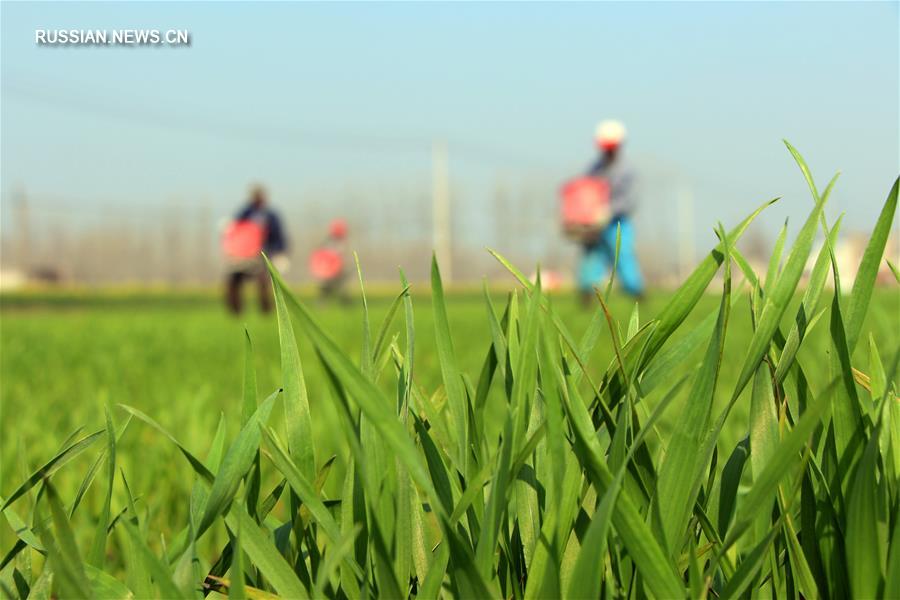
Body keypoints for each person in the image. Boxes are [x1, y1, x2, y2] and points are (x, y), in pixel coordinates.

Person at [578, 120, 645, 302]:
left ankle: (637, 293)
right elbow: (585, 192)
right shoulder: (594, 168)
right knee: (592, 256)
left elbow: (631, 200)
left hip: (617, 222)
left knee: (623, 255)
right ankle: (588, 294)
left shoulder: (627, 169)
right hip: (594, 224)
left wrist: (609, 210)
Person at [221, 185, 288, 314]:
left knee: (264, 282)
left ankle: (267, 311)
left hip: (264, 255)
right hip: (244, 256)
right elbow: (236, 231)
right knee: (233, 281)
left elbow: (278, 236)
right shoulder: (244, 213)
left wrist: (278, 252)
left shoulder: (271, 216)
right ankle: (236, 311)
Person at [309, 219, 349, 303]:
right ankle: (323, 302)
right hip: (328, 270)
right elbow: (322, 255)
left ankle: (344, 302)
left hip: (337, 270)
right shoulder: (329, 242)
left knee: (340, 287)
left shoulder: (341, 242)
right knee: (326, 288)